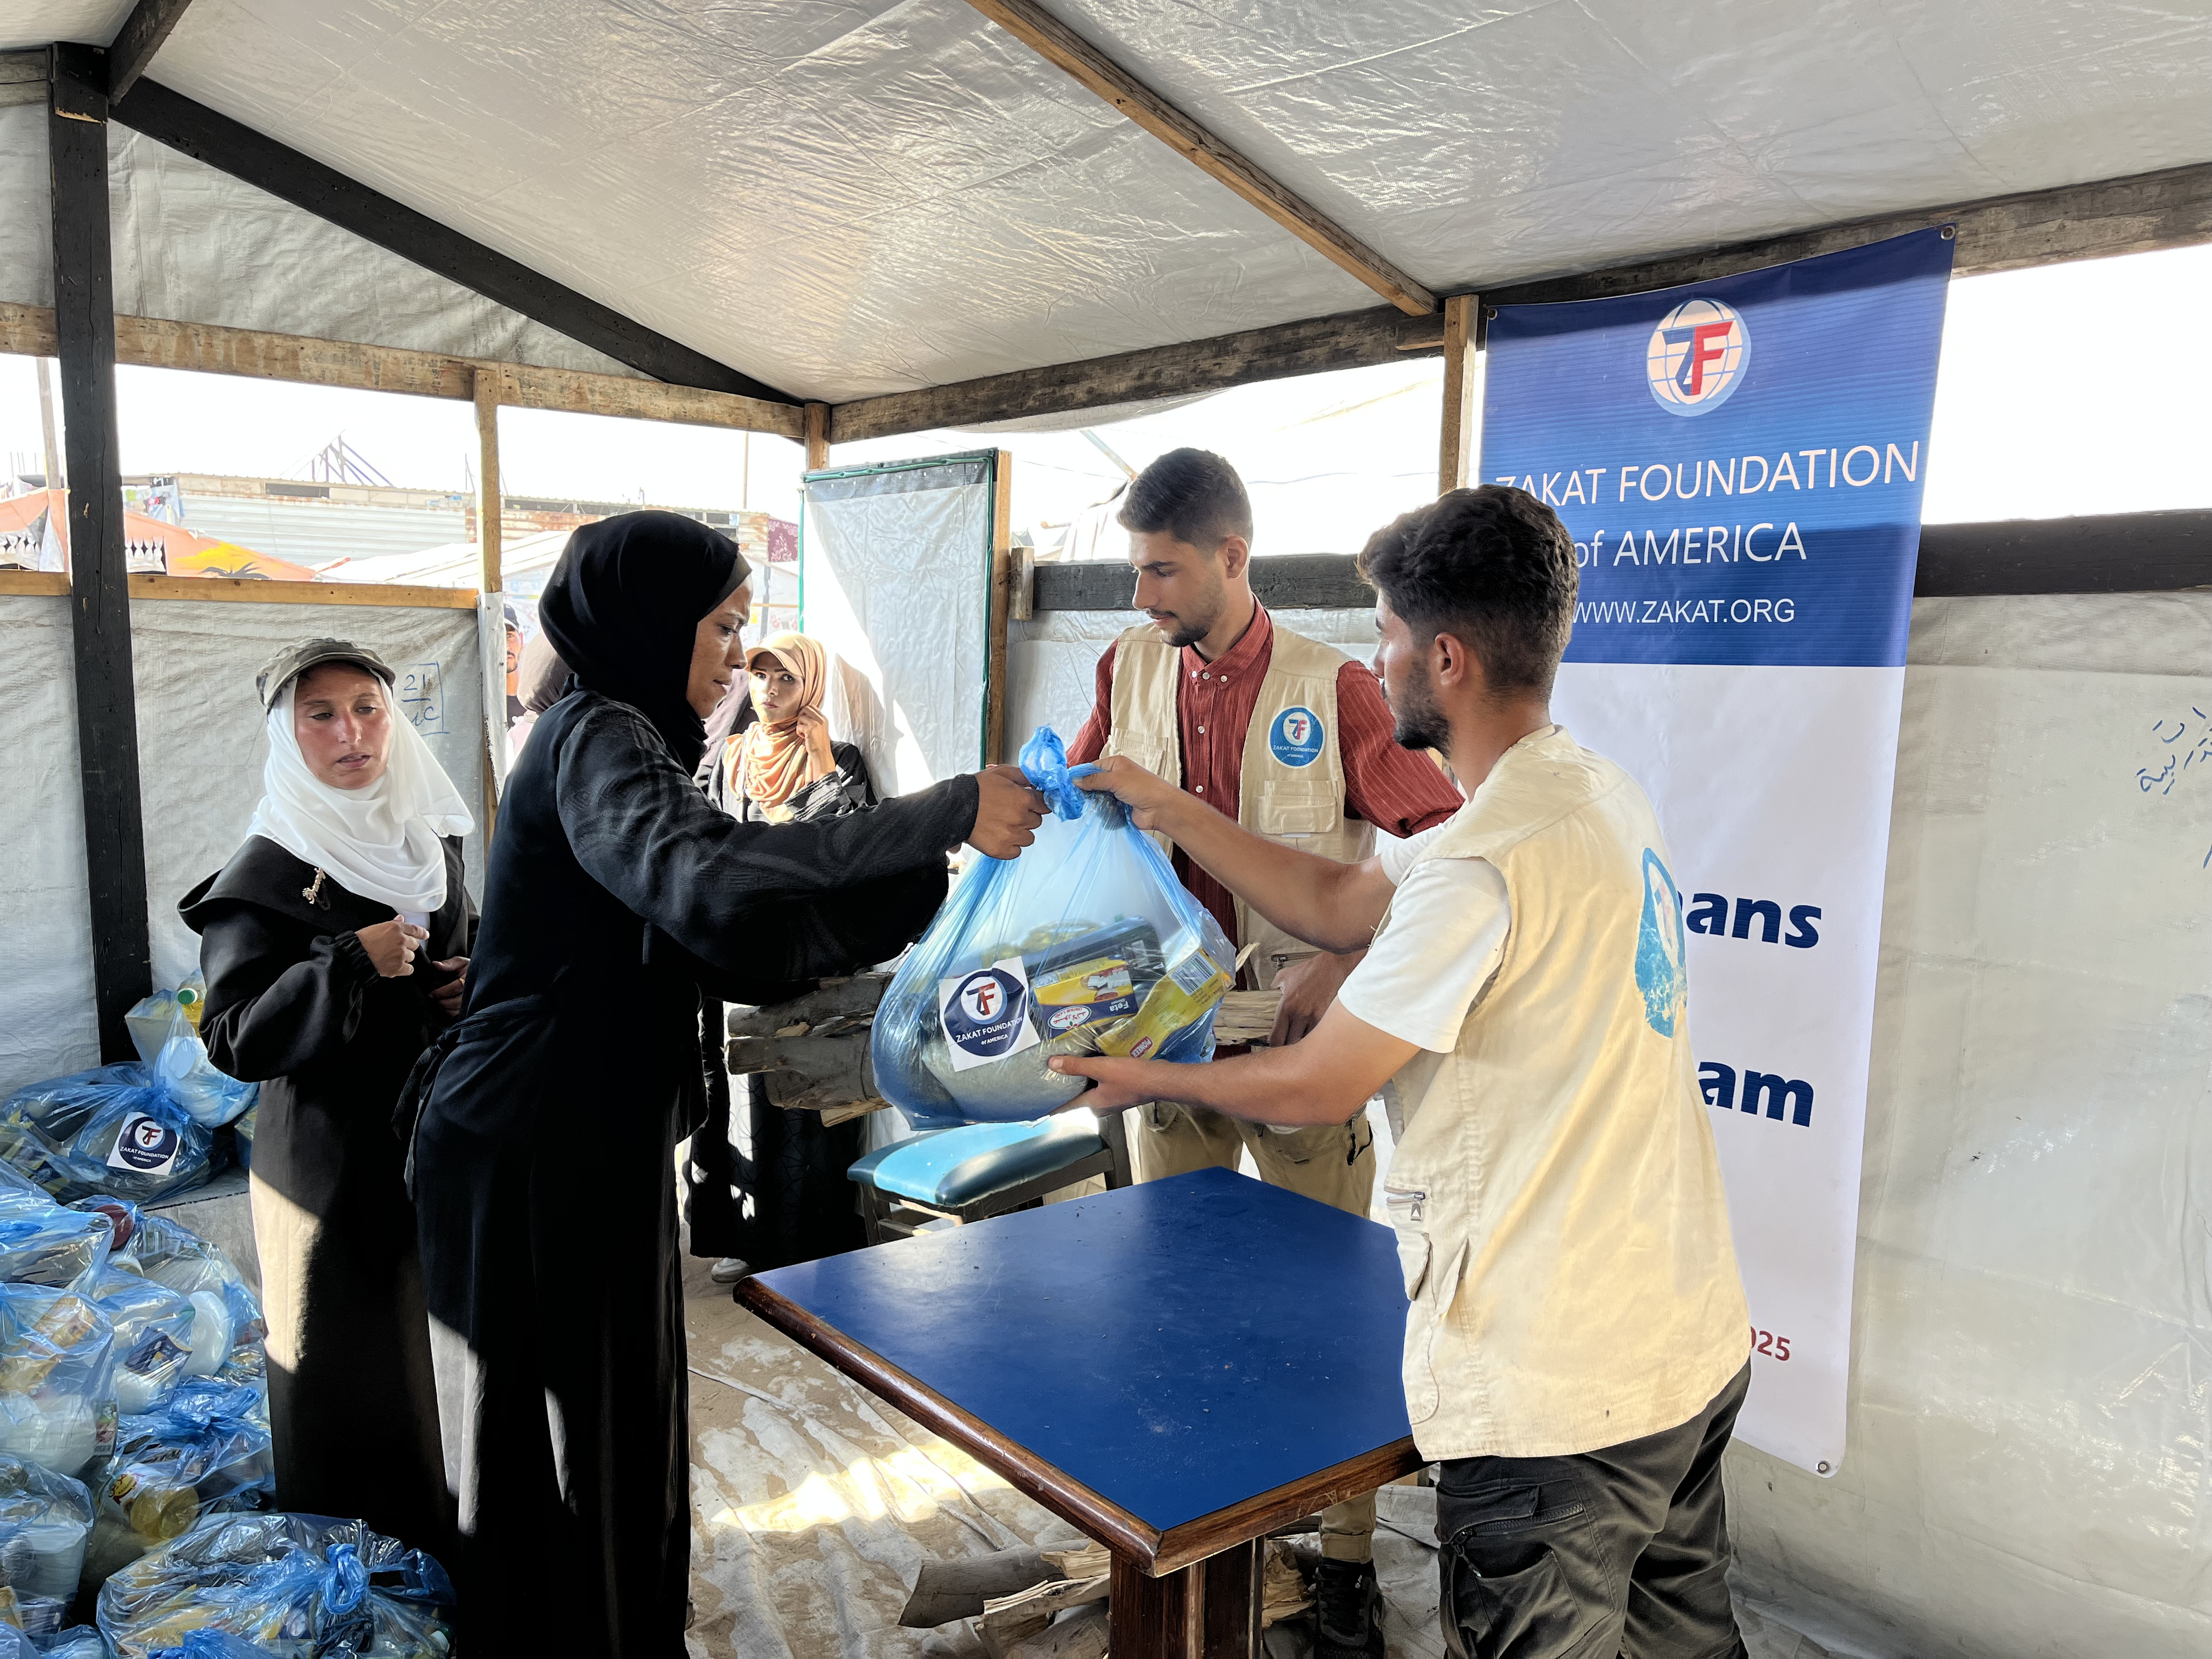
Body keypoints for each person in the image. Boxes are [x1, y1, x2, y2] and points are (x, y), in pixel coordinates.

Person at [1054, 487, 1753, 1659]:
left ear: (1446, 657)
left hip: (1555, 1392)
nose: (1375, 662)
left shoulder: (1478, 863)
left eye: (1386, 635)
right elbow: (1337, 899)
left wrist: (1149, 1076)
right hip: (1682, 1337)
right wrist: (1167, 803)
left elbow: (1319, 1085)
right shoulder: (1587, 790)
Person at [406, 512, 1045, 1655]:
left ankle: (618, 1628)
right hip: (529, 1146)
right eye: (720, 627)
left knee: (621, 1419)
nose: (735, 657)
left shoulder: (636, 742)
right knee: (556, 1433)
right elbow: (704, 879)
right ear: (649, 623)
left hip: (588, 1138)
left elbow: (732, 939)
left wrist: (917, 885)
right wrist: (940, 811)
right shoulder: (594, 733)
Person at [1065, 447, 1462, 1643]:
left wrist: (1347, 958)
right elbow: (1084, 807)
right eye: (1136, 572)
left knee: (1322, 1314)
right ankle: (1197, 1523)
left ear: (1231, 557)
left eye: (1162, 571)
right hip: (1168, 1045)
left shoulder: (1337, 686)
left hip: (1300, 1051)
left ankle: (1342, 1560)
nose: (1143, 595)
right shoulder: (1126, 663)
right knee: (1175, 1298)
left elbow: (1440, 855)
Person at [179, 637, 476, 1565]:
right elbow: (233, 1037)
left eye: (367, 708)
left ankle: (442, 1546)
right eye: (321, 714)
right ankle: (348, 1565)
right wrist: (347, 962)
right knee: (346, 1358)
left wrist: (468, 983)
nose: (351, 732)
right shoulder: (268, 871)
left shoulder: (427, 840)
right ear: (287, 732)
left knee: (435, 1348)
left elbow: (469, 945)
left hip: (432, 1140)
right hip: (330, 1160)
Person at [689, 632, 878, 1285]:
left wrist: (820, 759)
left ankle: (810, 1241)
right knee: (740, 1091)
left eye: (787, 679)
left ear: (811, 686)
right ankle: (747, 1236)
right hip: (738, 952)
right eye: (761, 675)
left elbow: (853, 845)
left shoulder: (839, 757)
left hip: (809, 956)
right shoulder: (732, 755)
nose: (769, 691)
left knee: (806, 1094)